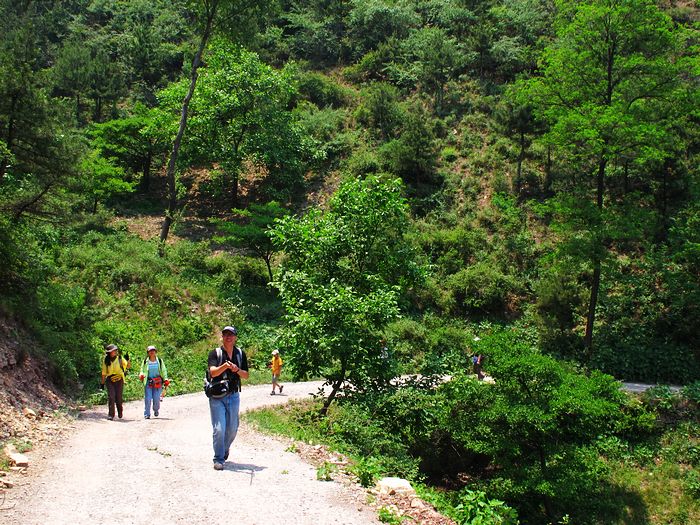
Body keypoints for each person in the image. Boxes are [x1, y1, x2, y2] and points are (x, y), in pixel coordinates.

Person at [208, 325, 249, 470]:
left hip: (233, 395)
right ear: (222, 337)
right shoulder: (215, 353)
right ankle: (218, 458)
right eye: (225, 334)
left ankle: (225, 449)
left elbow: (246, 375)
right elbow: (212, 372)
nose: (228, 337)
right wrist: (225, 366)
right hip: (217, 396)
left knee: (232, 428)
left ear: (235, 337)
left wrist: (236, 369)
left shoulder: (240, 354)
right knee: (219, 428)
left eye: (231, 334)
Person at [138, 345, 170, 419]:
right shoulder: (145, 361)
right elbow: (142, 370)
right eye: (150, 351)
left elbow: (163, 370)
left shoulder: (159, 361)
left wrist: (165, 379)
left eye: (153, 351)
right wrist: (141, 375)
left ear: (156, 352)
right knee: (148, 398)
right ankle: (147, 414)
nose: (152, 352)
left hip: (157, 382)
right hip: (148, 382)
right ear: (148, 353)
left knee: (156, 398)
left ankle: (156, 410)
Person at [100, 344, 131, 420]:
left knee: (119, 398)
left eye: (115, 350)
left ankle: (120, 411)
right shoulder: (106, 360)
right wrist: (102, 383)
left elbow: (128, 366)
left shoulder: (120, 358)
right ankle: (111, 414)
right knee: (111, 397)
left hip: (119, 380)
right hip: (110, 380)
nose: (115, 352)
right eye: (113, 351)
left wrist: (128, 360)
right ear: (109, 352)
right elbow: (104, 373)